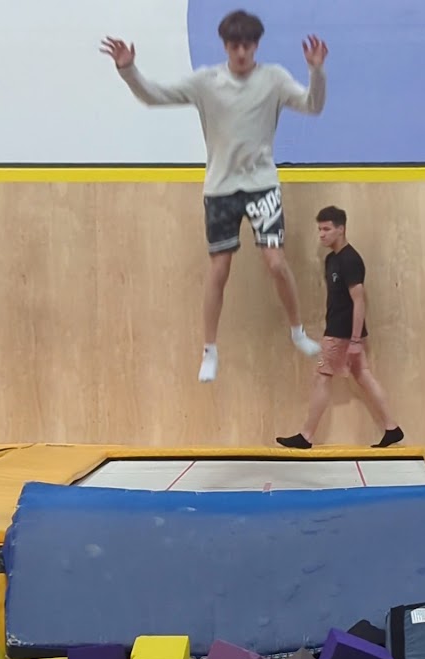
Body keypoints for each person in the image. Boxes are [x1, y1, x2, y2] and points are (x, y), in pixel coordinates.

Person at [101, 10, 328, 383]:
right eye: (235, 46)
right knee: (219, 269)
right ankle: (209, 350)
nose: (241, 52)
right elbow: (155, 97)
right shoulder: (207, 82)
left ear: (256, 46)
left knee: (276, 262)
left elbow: (312, 106)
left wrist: (316, 72)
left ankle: (297, 331)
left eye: (248, 46)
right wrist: (129, 70)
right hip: (221, 188)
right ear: (225, 46)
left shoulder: (273, 79)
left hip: (261, 185)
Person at [276, 206, 404, 449]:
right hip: (340, 330)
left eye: (326, 229)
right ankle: (392, 428)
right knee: (362, 375)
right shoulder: (331, 259)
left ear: (341, 229)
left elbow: (359, 301)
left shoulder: (350, 260)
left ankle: (306, 436)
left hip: (340, 333)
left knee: (322, 377)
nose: (321, 234)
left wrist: (355, 340)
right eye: (319, 229)